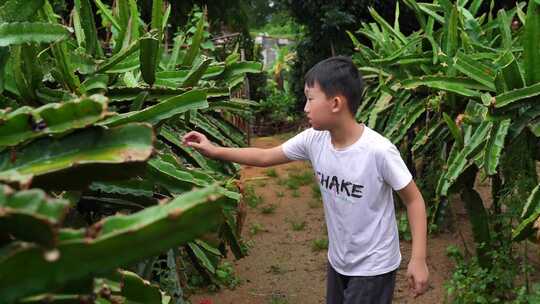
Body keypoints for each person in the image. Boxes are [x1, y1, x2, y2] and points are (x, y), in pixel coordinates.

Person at [182, 56, 429, 303]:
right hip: (338, 261)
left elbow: (414, 200)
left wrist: (418, 259)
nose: (305, 108)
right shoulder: (314, 140)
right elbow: (266, 155)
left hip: (374, 267)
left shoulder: (378, 151)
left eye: (310, 99)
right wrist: (214, 150)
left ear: (335, 103)